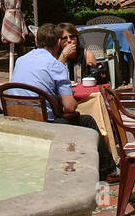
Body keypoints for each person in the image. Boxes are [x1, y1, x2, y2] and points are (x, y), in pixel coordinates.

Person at [10, 23, 117, 180]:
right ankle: (108, 171)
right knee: (87, 121)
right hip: (44, 123)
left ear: (36, 42)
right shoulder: (56, 66)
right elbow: (70, 107)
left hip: (18, 119)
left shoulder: (20, 61)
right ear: (58, 43)